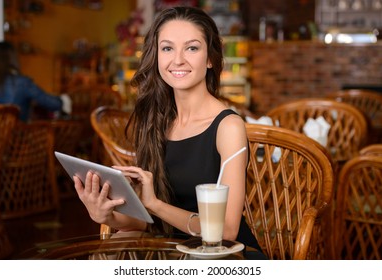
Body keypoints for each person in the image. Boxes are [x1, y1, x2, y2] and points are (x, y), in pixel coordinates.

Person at [74, 6, 264, 258]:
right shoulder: (154, 121)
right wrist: (106, 214)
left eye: (192, 48)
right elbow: (147, 222)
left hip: (224, 256)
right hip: (171, 251)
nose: (178, 60)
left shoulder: (228, 126)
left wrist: (154, 204)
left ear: (210, 58)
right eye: (167, 48)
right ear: (157, 57)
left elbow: (226, 231)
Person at [0, 41, 71, 122]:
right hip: (18, 132)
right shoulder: (23, 83)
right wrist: (64, 100)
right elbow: (51, 103)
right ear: (13, 58)